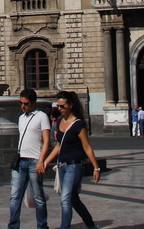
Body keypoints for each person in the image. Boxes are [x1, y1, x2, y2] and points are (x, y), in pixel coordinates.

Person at [43, 91, 100, 229]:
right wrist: (46, 161)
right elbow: (58, 145)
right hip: (61, 166)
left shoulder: (78, 125)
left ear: (71, 105)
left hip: (74, 166)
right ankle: (90, 224)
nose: (60, 109)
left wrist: (96, 167)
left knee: (66, 199)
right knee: (73, 199)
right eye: (58, 106)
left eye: (63, 106)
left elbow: (87, 147)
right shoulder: (61, 121)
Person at [8, 88, 51, 229]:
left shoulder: (42, 116)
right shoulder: (21, 118)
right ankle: (13, 226)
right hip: (20, 161)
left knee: (38, 197)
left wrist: (41, 160)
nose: (23, 106)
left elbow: (46, 141)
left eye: (26, 103)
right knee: (15, 196)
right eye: (21, 103)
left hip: (34, 161)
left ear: (33, 103)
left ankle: (42, 226)